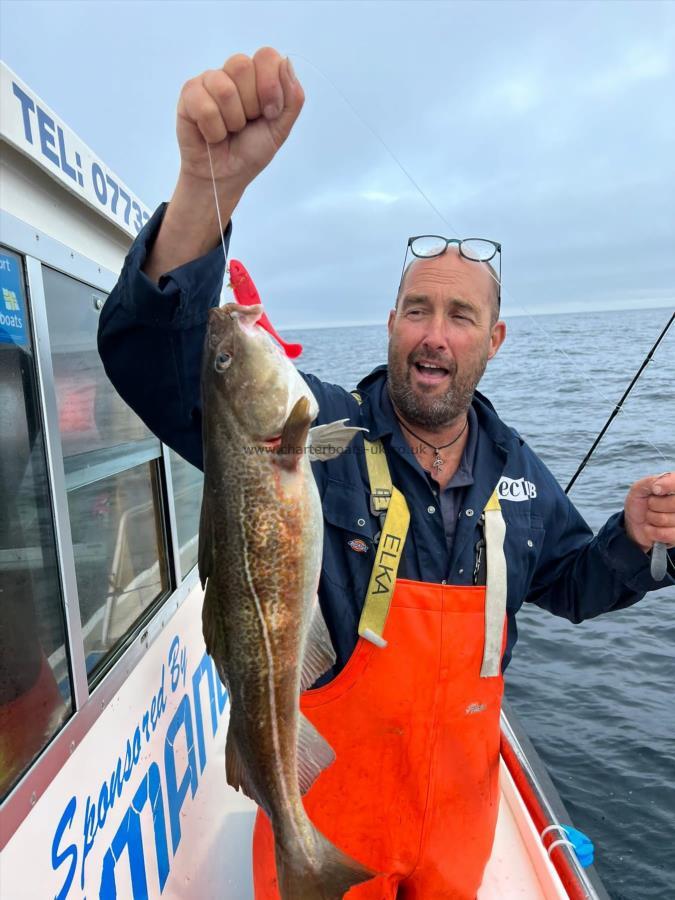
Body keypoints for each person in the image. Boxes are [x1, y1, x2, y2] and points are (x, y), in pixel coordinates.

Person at [97, 48, 675, 899]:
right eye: (415, 310)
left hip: (457, 830)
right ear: (391, 323)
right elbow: (154, 365)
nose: (433, 334)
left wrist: (634, 540)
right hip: (329, 805)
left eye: (458, 315)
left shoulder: (518, 473)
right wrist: (204, 193)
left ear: (493, 340)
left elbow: (572, 585)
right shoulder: (315, 429)